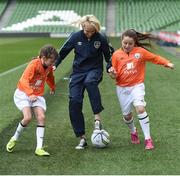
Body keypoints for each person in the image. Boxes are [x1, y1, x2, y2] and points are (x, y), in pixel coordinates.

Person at [53, 14, 114, 149]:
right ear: (82, 27)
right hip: (78, 73)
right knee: (74, 101)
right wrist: (54, 65)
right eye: (87, 31)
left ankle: (97, 118)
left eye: (93, 31)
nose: (90, 34)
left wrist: (110, 68)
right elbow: (62, 53)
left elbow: (109, 57)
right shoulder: (75, 37)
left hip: (94, 70)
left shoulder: (101, 38)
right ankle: (82, 137)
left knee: (90, 82)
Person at [109, 29, 174, 150]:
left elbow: (155, 58)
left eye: (130, 43)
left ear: (134, 43)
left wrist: (167, 63)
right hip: (122, 88)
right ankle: (133, 131)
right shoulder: (116, 55)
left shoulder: (140, 52)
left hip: (136, 86)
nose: (127, 46)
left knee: (140, 108)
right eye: (125, 43)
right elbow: (115, 75)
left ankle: (148, 139)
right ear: (121, 41)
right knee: (127, 116)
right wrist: (112, 74)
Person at [6, 45, 58, 156]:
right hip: (24, 93)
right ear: (43, 58)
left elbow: (50, 77)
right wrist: (30, 94)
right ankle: (14, 138)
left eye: (54, 62)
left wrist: (52, 86)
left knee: (41, 117)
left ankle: (39, 148)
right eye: (51, 61)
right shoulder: (34, 64)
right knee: (28, 118)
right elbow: (24, 80)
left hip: (36, 94)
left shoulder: (48, 67)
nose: (53, 64)